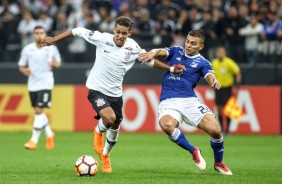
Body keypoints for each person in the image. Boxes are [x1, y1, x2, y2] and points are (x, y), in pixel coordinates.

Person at [40, 16, 185, 173]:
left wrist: (170, 69)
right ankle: (97, 131)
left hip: (116, 94)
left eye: (124, 33)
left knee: (115, 127)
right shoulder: (102, 38)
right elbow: (78, 31)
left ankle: (105, 156)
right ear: (114, 30)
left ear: (129, 33)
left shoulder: (133, 47)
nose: (120, 36)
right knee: (109, 118)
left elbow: (149, 61)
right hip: (96, 89)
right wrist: (53, 39)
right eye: (118, 32)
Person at [139, 30, 233, 175]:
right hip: (169, 100)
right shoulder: (176, 51)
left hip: (189, 101)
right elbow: (161, 51)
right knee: (167, 125)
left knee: (215, 130)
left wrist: (213, 82)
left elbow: (209, 75)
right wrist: (153, 53)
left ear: (201, 46)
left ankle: (219, 163)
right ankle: (194, 151)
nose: (188, 45)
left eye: (193, 43)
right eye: (188, 41)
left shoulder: (203, 62)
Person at [18, 25, 61, 150]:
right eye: (37, 33)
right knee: (39, 112)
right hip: (32, 84)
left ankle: (33, 140)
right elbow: (21, 65)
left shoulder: (51, 48)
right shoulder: (27, 49)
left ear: (45, 34)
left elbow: (58, 63)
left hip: (46, 83)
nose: (39, 35)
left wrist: (53, 64)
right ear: (33, 35)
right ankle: (50, 134)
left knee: (38, 110)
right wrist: (24, 70)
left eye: (42, 33)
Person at [211, 46, 241, 135]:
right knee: (219, 109)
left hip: (227, 88)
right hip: (218, 88)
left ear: (225, 53)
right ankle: (222, 129)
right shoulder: (214, 63)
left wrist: (236, 86)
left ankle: (227, 130)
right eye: (219, 52)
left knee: (228, 109)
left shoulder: (229, 62)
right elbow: (210, 74)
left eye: (222, 52)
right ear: (216, 53)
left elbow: (237, 72)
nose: (220, 54)